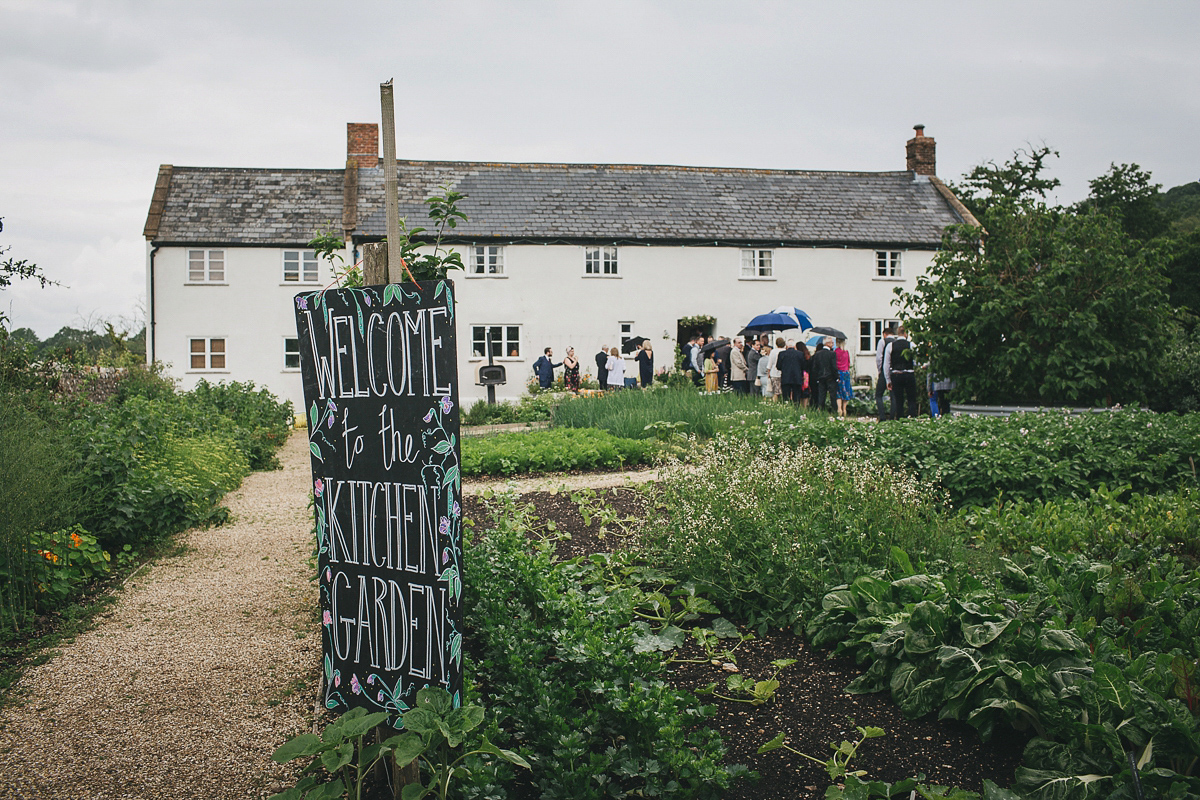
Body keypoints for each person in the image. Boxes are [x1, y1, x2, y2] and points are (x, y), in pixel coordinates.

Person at [884, 325, 918, 419]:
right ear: (906, 334)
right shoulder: (911, 345)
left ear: (897, 334)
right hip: (909, 373)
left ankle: (899, 419)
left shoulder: (890, 346)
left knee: (899, 400)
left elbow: (886, 364)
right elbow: (916, 361)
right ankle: (912, 418)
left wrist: (888, 380)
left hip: (896, 374)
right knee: (911, 399)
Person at [810, 337, 838, 413]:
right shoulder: (832, 354)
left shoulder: (817, 354)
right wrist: (837, 377)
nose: (833, 344)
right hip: (831, 377)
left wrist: (816, 377)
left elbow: (814, 367)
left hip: (820, 377)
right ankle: (834, 412)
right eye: (832, 343)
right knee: (833, 396)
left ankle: (820, 410)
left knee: (821, 396)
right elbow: (834, 367)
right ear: (828, 344)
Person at [874, 326, 895, 421]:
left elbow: (879, 358)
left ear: (884, 334)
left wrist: (879, 370)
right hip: (894, 371)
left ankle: (882, 416)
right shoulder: (896, 343)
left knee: (878, 395)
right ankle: (892, 417)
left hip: (884, 370)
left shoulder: (882, 342)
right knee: (893, 396)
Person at [835, 338, 853, 418]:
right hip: (846, 373)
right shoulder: (846, 352)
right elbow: (849, 363)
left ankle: (839, 409)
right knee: (846, 391)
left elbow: (835, 363)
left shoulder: (836, 351)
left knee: (838, 392)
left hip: (839, 373)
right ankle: (844, 409)